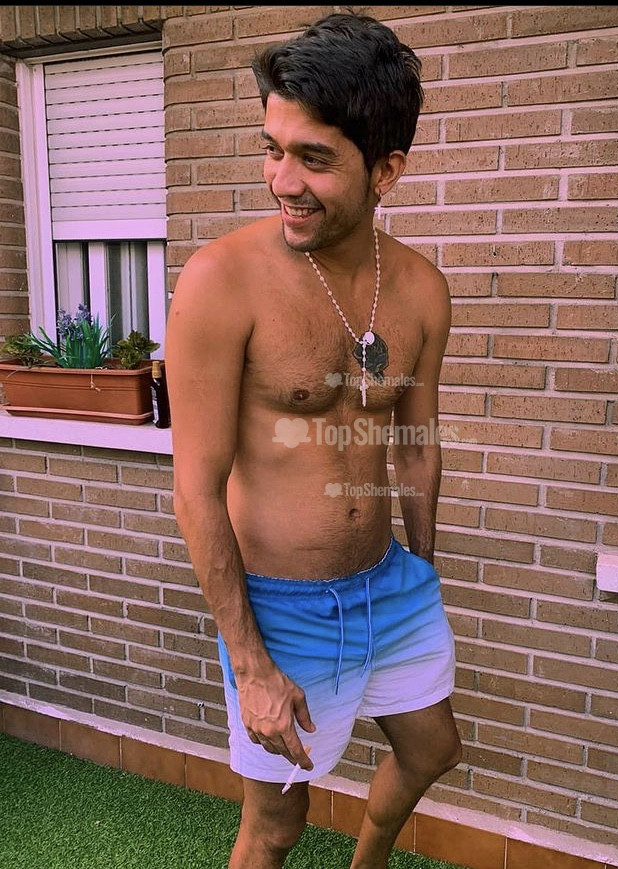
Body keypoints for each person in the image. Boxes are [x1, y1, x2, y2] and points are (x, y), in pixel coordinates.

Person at [165, 11, 461, 869]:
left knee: (433, 748)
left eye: (314, 159)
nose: (282, 181)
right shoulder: (221, 281)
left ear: (386, 170)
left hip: (390, 584)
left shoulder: (422, 289)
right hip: (280, 609)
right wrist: (250, 663)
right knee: (276, 826)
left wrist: (424, 567)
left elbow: (416, 443)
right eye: (273, 149)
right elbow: (195, 487)